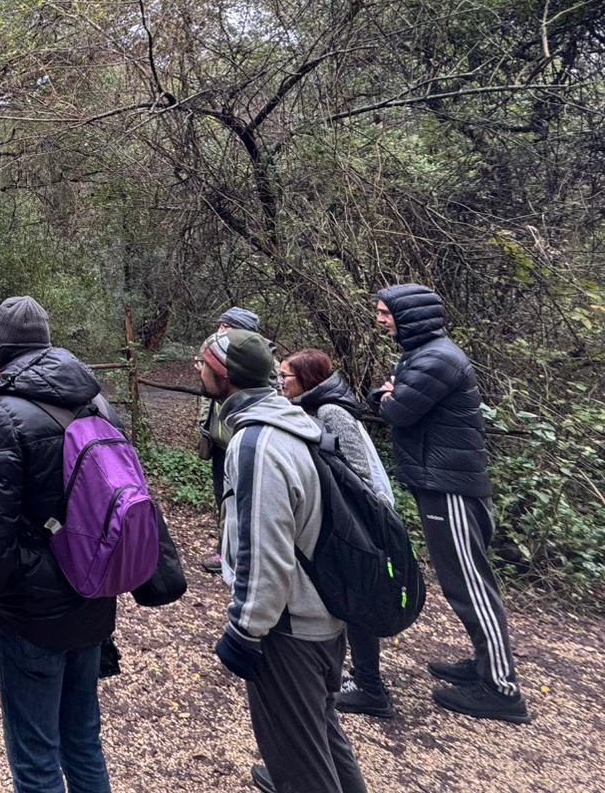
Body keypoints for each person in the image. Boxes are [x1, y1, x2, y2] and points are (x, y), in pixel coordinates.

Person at [0, 295, 117, 793]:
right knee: (84, 741)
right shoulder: (95, 399)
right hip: (93, 588)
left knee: (35, 756)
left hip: (32, 609)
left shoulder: (3, 412)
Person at [200, 328, 367, 793]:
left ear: (224, 375)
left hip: (288, 629)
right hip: (321, 613)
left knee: (299, 768)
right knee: (323, 737)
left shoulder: (257, 443)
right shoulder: (295, 420)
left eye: (203, 363)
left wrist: (246, 629)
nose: (197, 369)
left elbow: (265, 547)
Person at [373, 284, 528, 723]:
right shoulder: (423, 354)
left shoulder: (437, 358)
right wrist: (389, 394)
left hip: (451, 488)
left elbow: (398, 410)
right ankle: (483, 665)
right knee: (462, 580)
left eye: (386, 313)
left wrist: (388, 395)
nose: (381, 320)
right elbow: (396, 401)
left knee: (469, 585)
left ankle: (501, 688)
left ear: (411, 315)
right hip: (440, 481)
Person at [280, 349, 396, 719]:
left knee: (358, 601)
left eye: (287, 376)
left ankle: (370, 687)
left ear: (307, 380)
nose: (281, 382)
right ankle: (357, 677)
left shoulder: (332, 412)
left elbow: (359, 473)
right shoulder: (314, 407)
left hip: (358, 522)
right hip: (343, 520)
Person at [199, 306, 259, 574]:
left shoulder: (255, 363)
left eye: (228, 326)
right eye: (221, 324)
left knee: (244, 501)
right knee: (223, 499)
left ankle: (240, 558)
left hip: (244, 443)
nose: (221, 330)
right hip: (223, 443)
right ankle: (226, 551)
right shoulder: (220, 356)